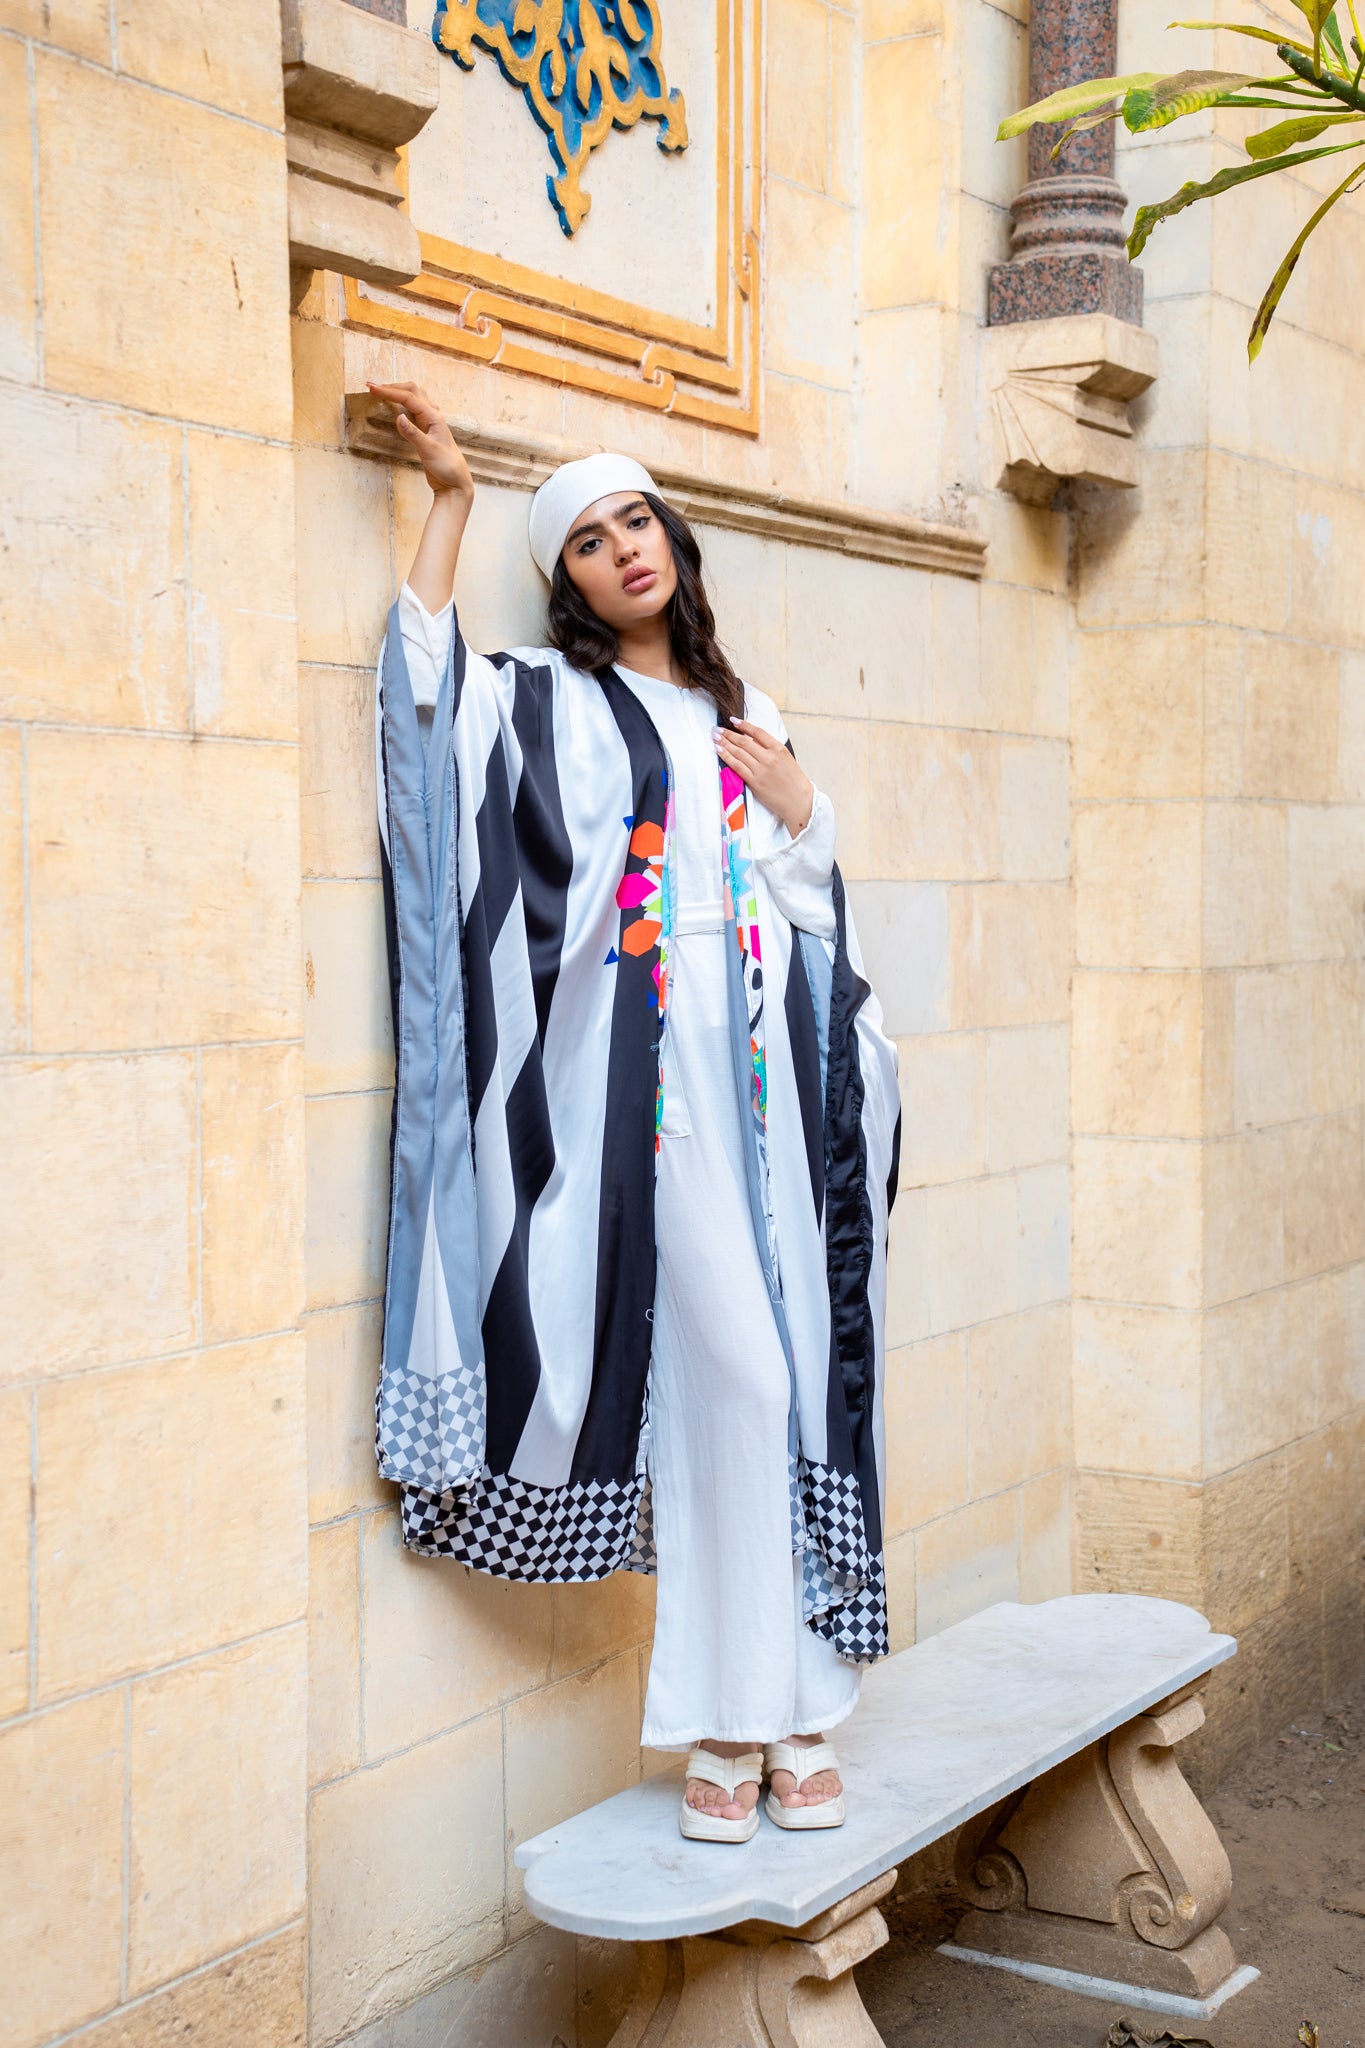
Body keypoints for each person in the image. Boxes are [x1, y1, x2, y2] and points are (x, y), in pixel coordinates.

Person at [369, 380, 900, 1844]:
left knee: (772, 1390)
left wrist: (802, 813)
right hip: (650, 1123)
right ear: (575, 585)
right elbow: (429, 704)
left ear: (672, 535)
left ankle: (763, 1725)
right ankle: (743, 1721)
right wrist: (451, 504)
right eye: (591, 539)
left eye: (636, 518)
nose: (624, 548)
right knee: (732, 1375)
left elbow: (806, 913)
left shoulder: (747, 715)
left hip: (768, 1116)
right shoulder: (554, 702)